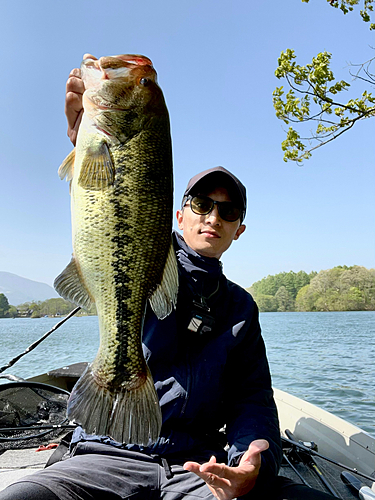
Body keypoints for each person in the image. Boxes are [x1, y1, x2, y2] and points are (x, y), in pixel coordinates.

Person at [0, 58, 338, 500]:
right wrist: (82, 136)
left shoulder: (239, 308)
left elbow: (251, 400)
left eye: (229, 211)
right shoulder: (154, 259)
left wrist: (253, 458)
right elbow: (108, 205)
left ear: (239, 229)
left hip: (195, 465)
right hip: (104, 455)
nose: (213, 217)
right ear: (178, 216)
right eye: (201, 204)